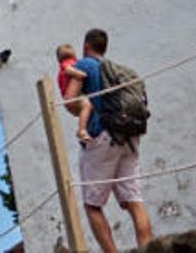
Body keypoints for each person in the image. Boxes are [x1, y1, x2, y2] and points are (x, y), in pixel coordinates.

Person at [64, 28, 153, 252]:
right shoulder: (119, 70)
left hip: (102, 138)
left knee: (92, 205)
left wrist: (82, 110)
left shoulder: (85, 65)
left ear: (86, 47)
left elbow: (69, 102)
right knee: (134, 199)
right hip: (129, 138)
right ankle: (147, 248)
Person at [55, 44, 93, 143]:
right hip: (71, 96)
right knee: (87, 104)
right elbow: (69, 70)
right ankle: (82, 130)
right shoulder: (68, 63)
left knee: (86, 109)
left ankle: (84, 130)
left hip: (70, 101)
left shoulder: (64, 65)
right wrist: (81, 74)